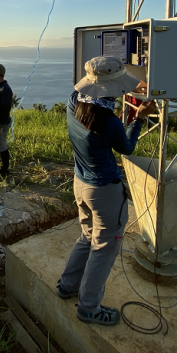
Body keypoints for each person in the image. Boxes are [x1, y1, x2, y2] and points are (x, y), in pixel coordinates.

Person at [56, 55, 155, 326]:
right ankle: (88, 308)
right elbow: (127, 148)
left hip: (81, 184)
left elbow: (98, 99)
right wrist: (139, 117)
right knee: (104, 248)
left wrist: (134, 86)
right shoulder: (109, 123)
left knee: (87, 237)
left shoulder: (73, 102)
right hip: (105, 193)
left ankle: (67, 286)